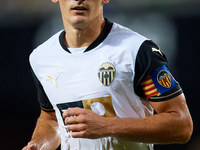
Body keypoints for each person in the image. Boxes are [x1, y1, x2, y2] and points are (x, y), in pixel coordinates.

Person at [22, 0, 193, 150]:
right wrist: (40, 144)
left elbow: (182, 125)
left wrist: (106, 126)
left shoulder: (137, 50)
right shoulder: (41, 57)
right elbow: (52, 117)